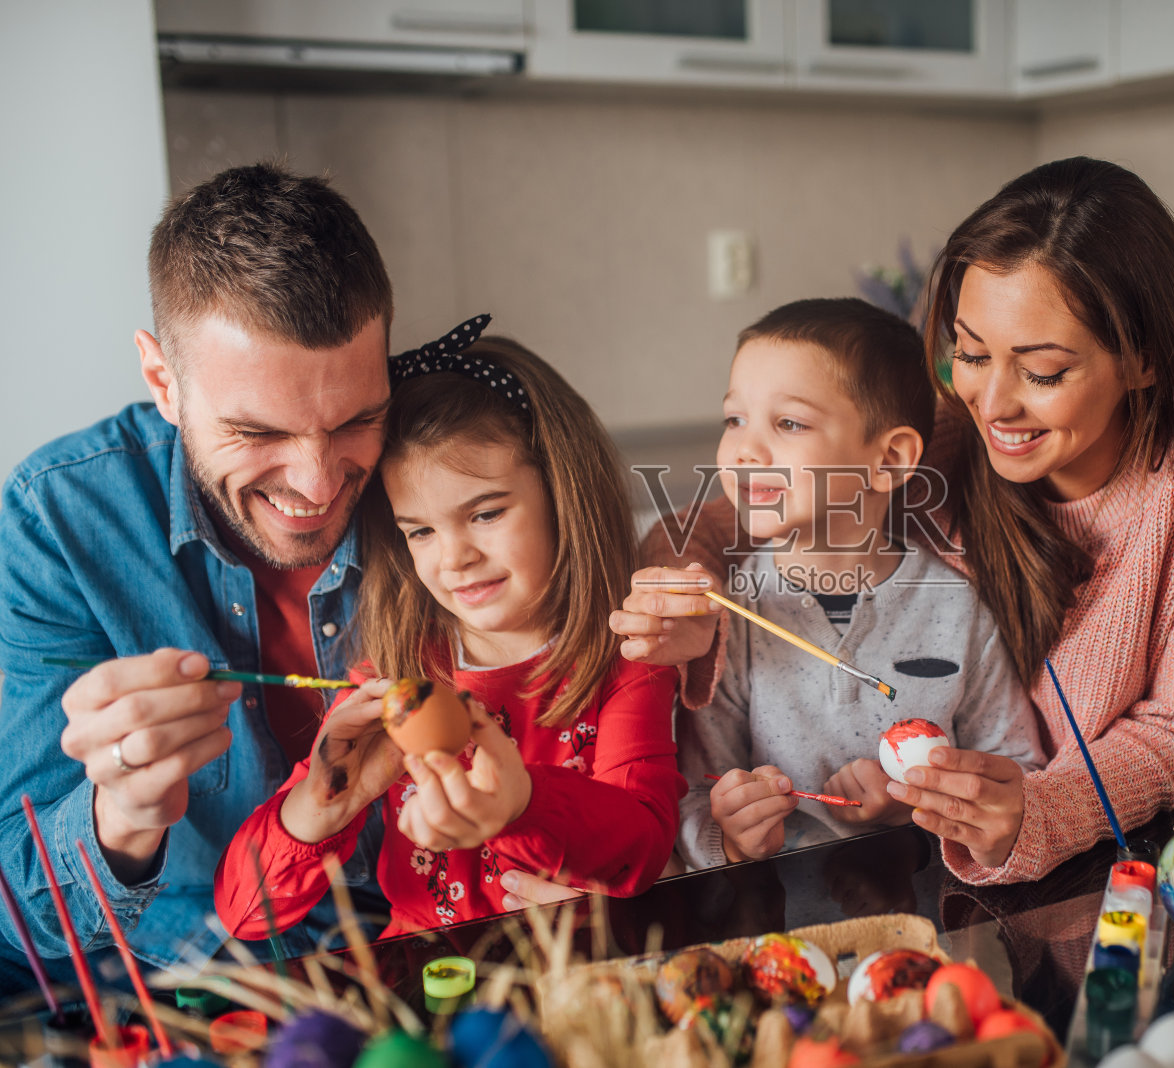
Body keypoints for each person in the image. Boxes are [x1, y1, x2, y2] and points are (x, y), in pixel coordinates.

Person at [610, 158, 1174, 886]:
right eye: (968, 353)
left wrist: (1040, 809)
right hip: (944, 858)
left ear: (1143, 358)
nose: (990, 404)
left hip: (1127, 854)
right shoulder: (944, 433)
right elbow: (721, 521)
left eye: (1042, 372)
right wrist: (682, 592)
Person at [0, 163, 394, 983]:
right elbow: (18, 917)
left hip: (422, 950)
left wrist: (717, 529)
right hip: (184, 985)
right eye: (258, 432)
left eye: (358, 419)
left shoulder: (439, 458)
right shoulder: (59, 520)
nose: (319, 485)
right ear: (162, 381)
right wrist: (122, 818)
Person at [216, 334, 684, 937]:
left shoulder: (629, 660)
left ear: (563, 498)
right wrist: (322, 803)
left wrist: (521, 804)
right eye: (421, 532)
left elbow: (643, 847)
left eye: (486, 514)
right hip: (426, 977)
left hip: (575, 977)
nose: (455, 558)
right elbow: (245, 917)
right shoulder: (393, 682)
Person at [674, 298, 1044, 870]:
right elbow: (692, 798)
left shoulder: (959, 609)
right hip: (779, 925)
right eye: (734, 419)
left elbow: (1018, 776)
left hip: (938, 912)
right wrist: (731, 838)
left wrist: (915, 807)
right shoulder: (731, 612)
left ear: (889, 459)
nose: (744, 450)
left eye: (789, 423)